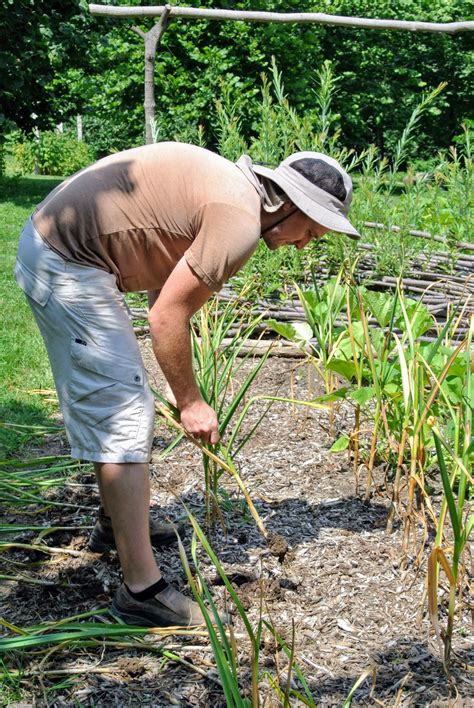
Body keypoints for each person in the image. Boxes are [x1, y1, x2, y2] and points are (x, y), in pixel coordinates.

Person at [15, 142, 359, 627]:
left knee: (122, 407)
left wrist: (182, 384)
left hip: (62, 247)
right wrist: (191, 402)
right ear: (289, 206)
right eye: (312, 230)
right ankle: (142, 592)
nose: (306, 243)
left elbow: (166, 275)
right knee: (124, 415)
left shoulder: (235, 197)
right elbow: (166, 315)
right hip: (67, 262)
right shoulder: (237, 222)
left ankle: (115, 528)